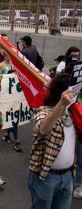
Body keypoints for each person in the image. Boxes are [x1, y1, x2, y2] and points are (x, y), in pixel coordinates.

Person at [27, 73, 76, 208]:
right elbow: (43, 129)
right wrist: (61, 103)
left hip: (67, 177)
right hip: (45, 177)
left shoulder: (73, 112)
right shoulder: (44, 111)